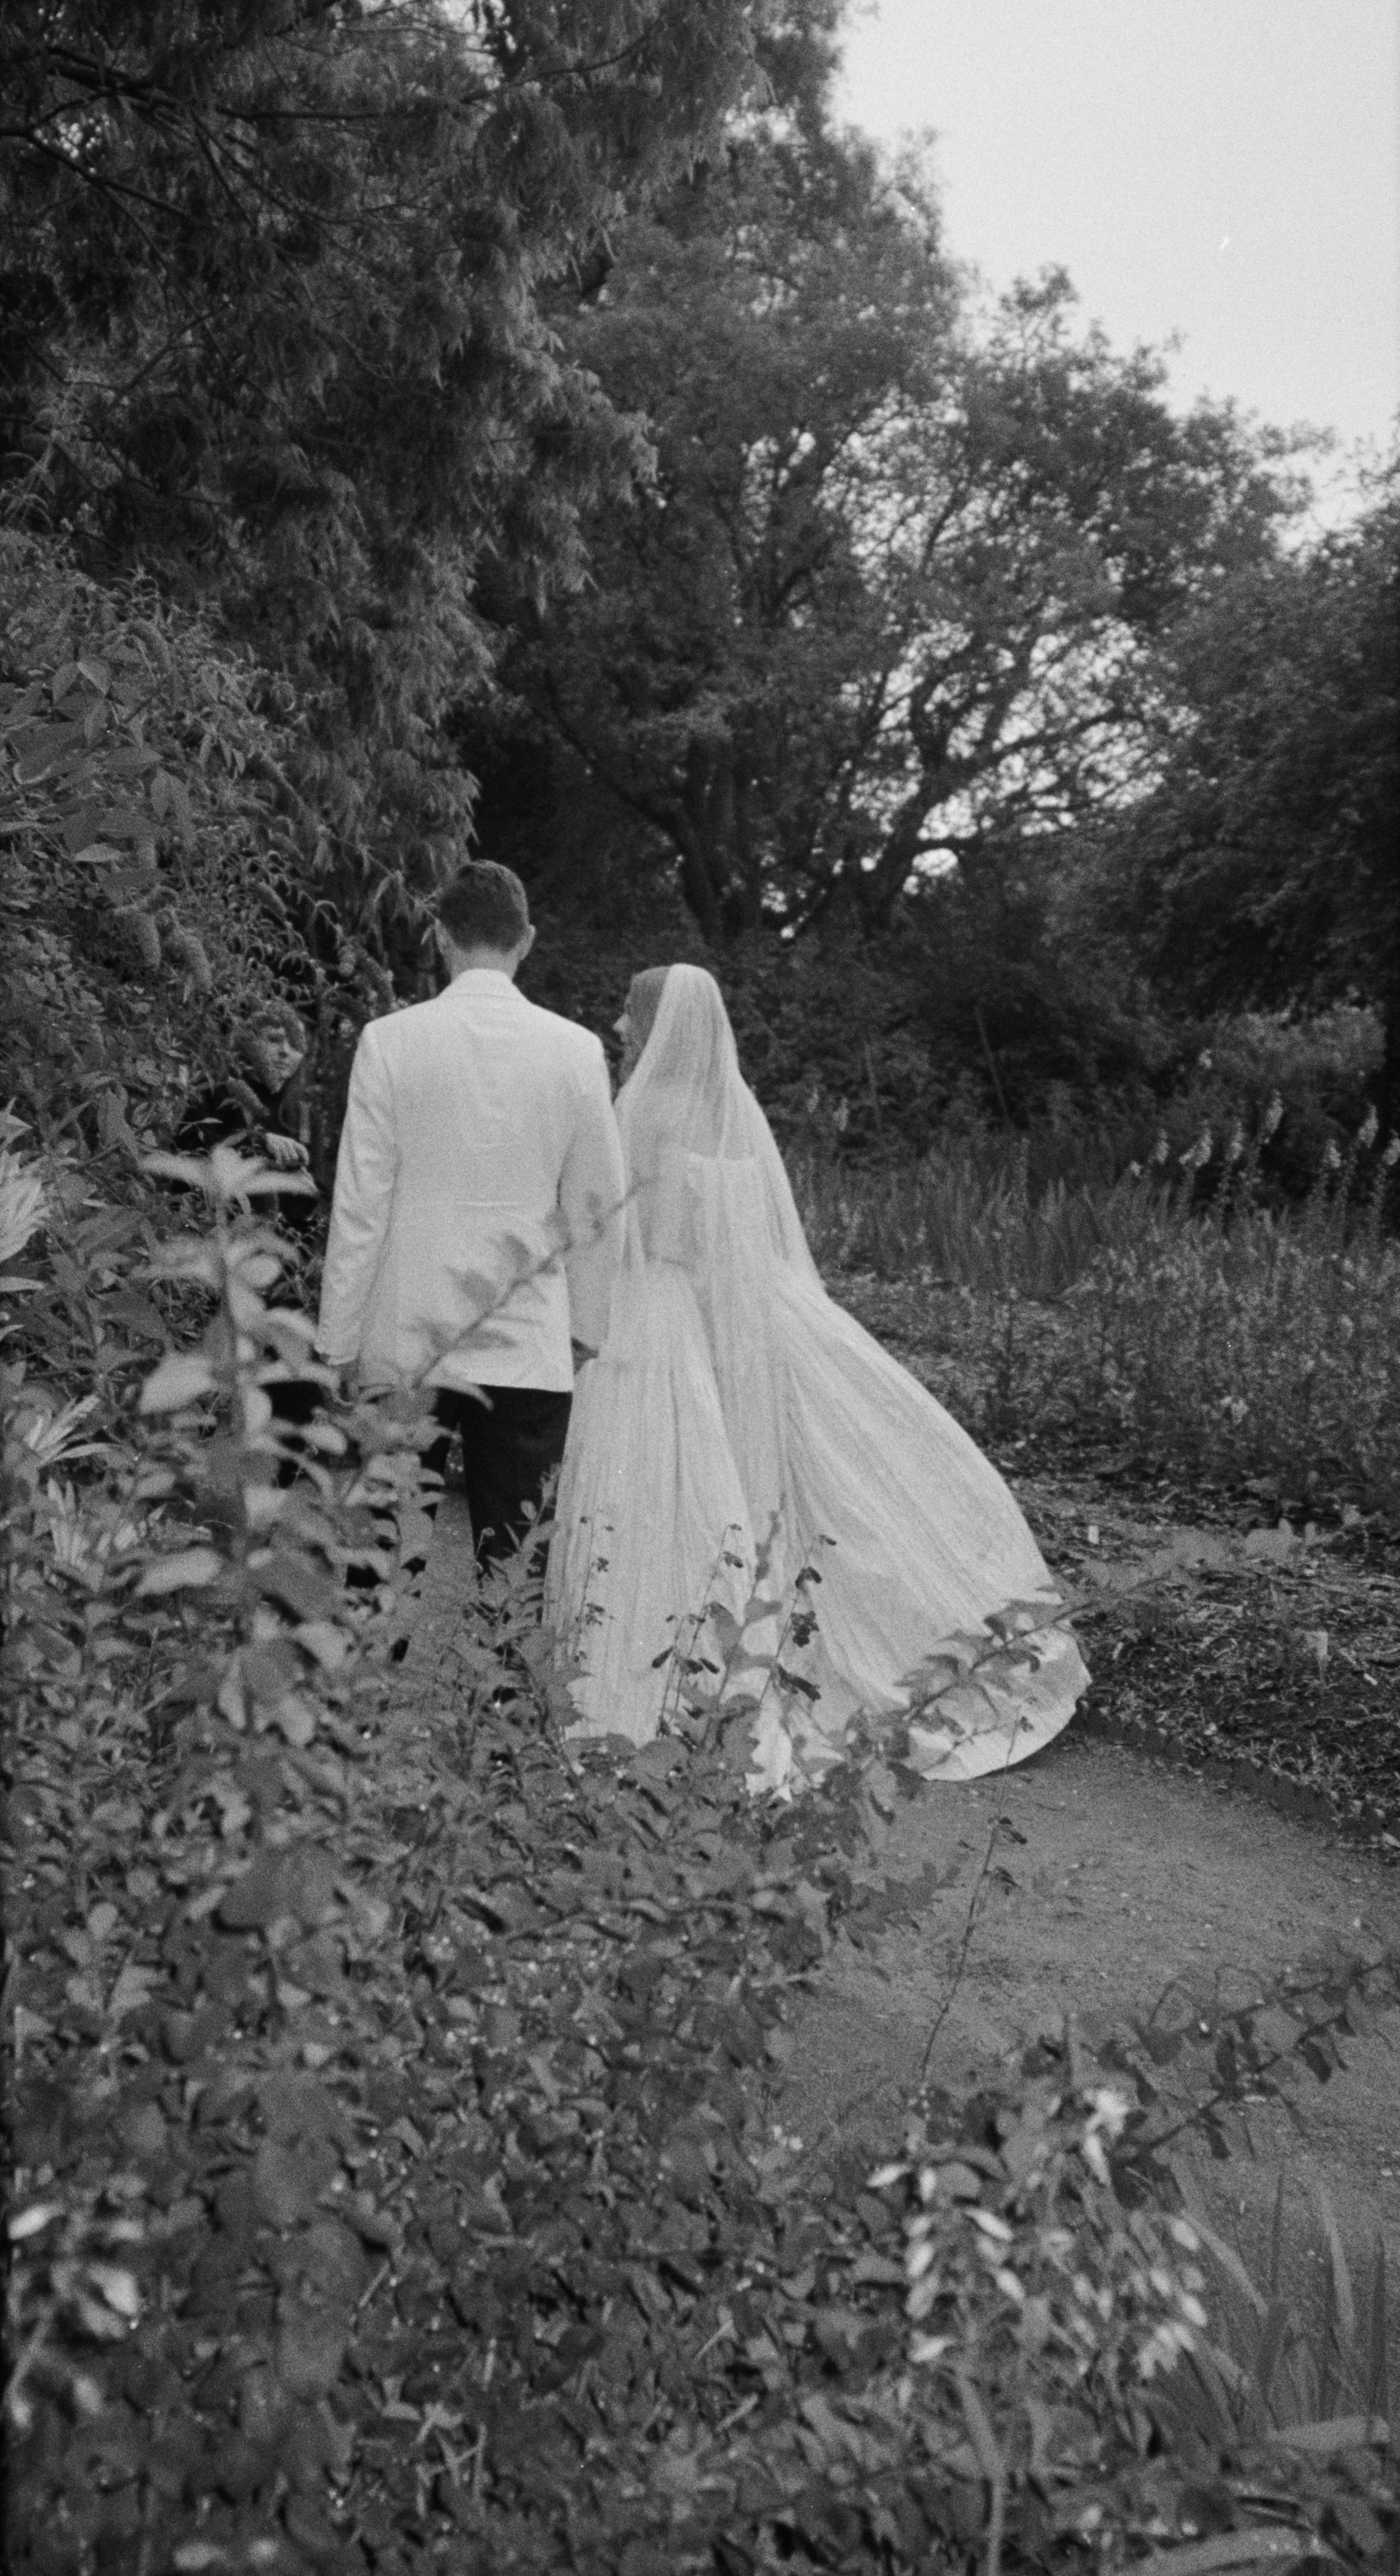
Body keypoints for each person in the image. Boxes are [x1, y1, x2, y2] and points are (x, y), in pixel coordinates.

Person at [547, 963, 1089, 1793]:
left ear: (656, 1025)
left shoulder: (641, 1110)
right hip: (744, 1316)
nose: (620, 1028)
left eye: (628, 1013)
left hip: (658, 1313)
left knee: (663, 1489)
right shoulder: (738, 1109)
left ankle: (657, 1665)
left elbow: (625, 1234)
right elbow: (751, 1241)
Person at [315, 861, 626, 1573]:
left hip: (408, 1336)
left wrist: (338, 1339)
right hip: (528, 1332)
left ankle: (368, 1683)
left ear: (440, 936)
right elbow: (596, 1208)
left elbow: (362, 1202)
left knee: (382, 1559)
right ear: (527, 941)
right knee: (515, 1570)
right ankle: (504, 1687)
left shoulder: (390, 1042)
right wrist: (585, 1327)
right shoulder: (577, 1052)